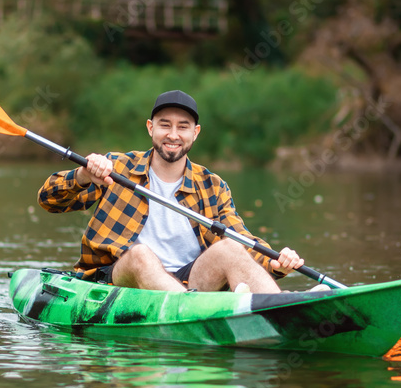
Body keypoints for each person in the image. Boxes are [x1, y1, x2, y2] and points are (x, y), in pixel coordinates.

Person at [37, 89, 307, 293]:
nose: (173, 134)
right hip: (117, 278)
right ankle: (186, 309)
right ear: (150, 128)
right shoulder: (116, 168)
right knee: (141, 255)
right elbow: (49, 199)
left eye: (183, 127)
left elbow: (241, 238)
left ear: (196, 133)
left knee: (231, 248)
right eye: (165, 124)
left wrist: (276, 263)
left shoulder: (212, 186)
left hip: (188, 282)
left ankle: (282, 311)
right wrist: (84, 175)